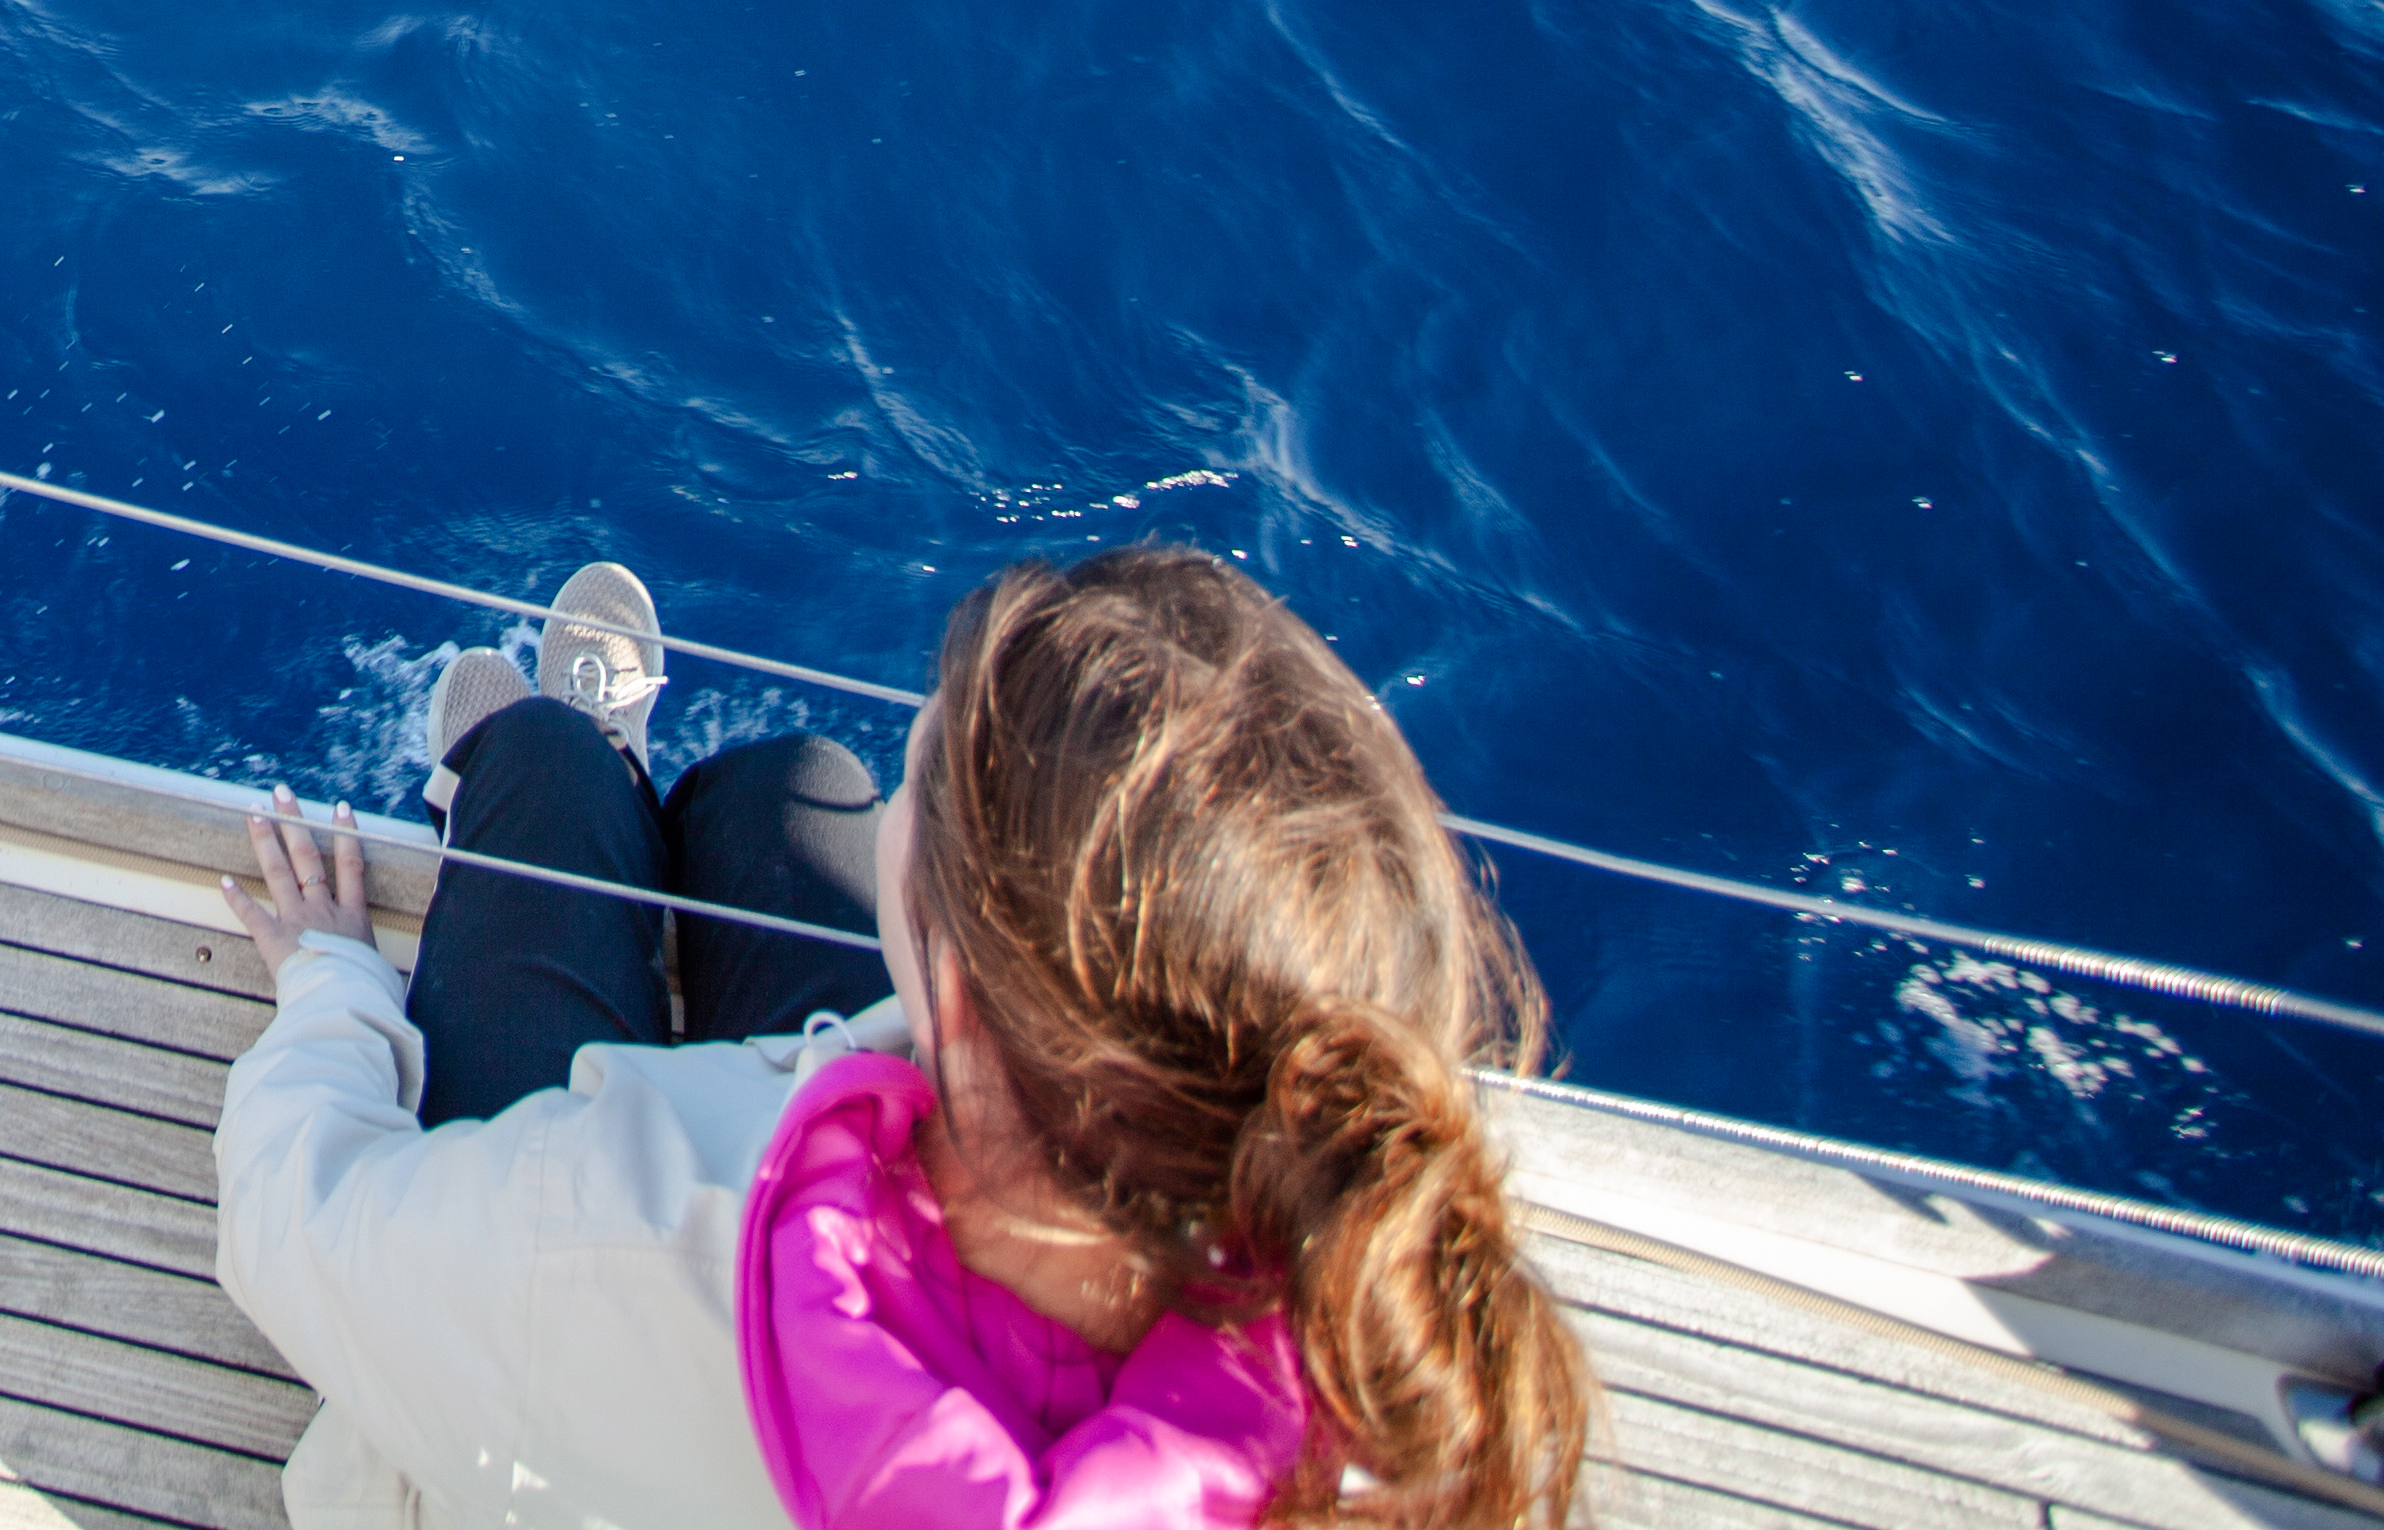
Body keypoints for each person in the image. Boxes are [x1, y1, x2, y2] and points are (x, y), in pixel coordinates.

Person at [212, 545, 1591, 1527]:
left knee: (543, 783)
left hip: (570, 1381)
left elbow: (295, 1226)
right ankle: (617, 773)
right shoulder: (1392, 1360)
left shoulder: (613, 1223)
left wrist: (333, 990)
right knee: (789, 788)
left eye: (923, 781)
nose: (914, 750)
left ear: (962, 1001)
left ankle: (558, 764)